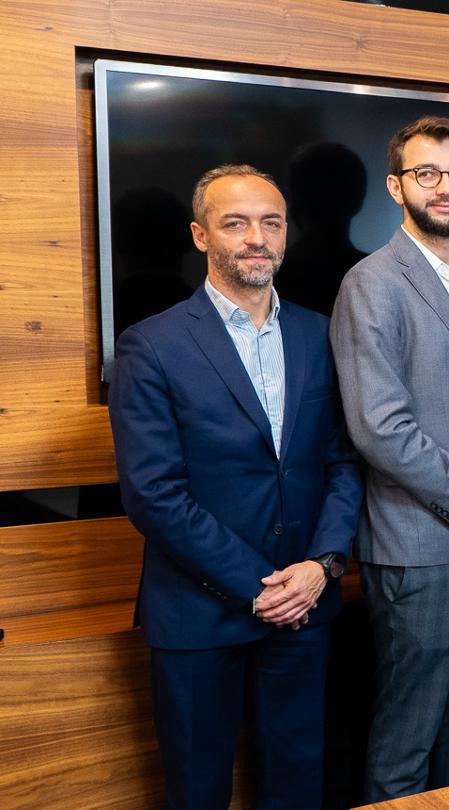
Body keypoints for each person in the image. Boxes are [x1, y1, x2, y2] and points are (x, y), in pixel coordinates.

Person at [110, 165, 362, 809]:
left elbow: (343, 462)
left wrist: (322, 567)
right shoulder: (151, 345)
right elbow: (154, 493)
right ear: (200, 236)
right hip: (198, 613)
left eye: (271, 222)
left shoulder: (319, 333)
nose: (257, 237)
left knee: (298, 784)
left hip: (306, 605)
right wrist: (260, 586)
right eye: (236, 222)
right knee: (198, 790)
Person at [331, 116, 449, 800]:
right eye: (427, 173)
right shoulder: (372, 283)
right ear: (396, 185)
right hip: (421, 546)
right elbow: (380, 427)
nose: (445, 188)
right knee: (407, 737)